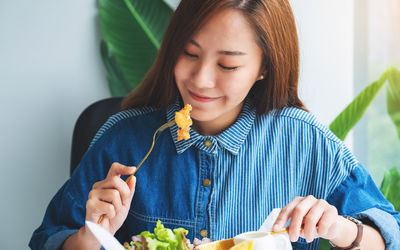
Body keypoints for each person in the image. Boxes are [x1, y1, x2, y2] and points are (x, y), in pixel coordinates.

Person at [30, 0, 400, 249]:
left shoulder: (303, 141)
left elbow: (391, 234)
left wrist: (340, 230)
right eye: (189, 54)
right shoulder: (123, 138)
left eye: (228, 65)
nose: (201, 80)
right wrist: (91, 235)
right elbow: (47, 238)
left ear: (264, 67)